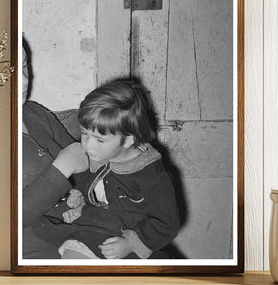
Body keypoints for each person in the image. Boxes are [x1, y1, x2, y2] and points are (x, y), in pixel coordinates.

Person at [46, 79, 180, 259]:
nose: (87, 145)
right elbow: (87, 182)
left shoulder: (152, 176)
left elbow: (166, 223)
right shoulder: (97, 154)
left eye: (99, 139)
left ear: (128, 140)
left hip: (130, 241)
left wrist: (131, 244)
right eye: (84, 133)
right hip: (89, 232)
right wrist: (78, 198)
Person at [21, 45, 89, 258]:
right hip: (33, 250)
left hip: (79, 232)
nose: (24, 80)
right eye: (10, 71)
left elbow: (85, 163)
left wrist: (83, 196)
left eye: (24, 66)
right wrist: (62, 168)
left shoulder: (35, 112)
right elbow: (2, 221)